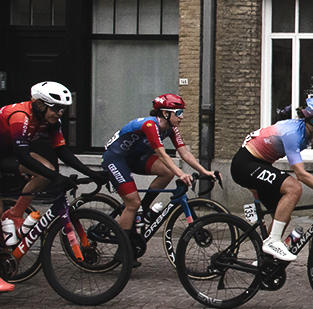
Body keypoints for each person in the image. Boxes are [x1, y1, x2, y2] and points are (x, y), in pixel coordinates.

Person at [0, 82, 109, 291]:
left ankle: (15, 213)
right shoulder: (20, 115)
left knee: (47, 169)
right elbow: (23, 155)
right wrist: (56, 178)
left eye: (63, 109)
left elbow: (62, 151)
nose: (60, 114)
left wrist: (92, 173)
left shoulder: (51, 121)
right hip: (12, 151)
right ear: (40, 105)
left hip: (8, 152)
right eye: (56, 108)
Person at [231, 96, 313, 263]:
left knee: (282, 215)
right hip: (245, 165)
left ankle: (264, 261)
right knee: (294, 188)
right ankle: (272, 242)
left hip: (260, 164)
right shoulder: (293, 134)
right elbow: (300, 174)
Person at [101, 93, 217, 258]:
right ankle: (123, 252)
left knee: (167, 172)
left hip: (135, 158)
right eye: (178, 113)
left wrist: (205, 171)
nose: (181, 117)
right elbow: (162, 154)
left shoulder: (171, 129)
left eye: (182, 112)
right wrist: (181, 174)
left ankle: (145, 208)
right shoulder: (150, 125)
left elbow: (184, 152)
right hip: (115, 158)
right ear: (165, 113)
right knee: (132, 203)